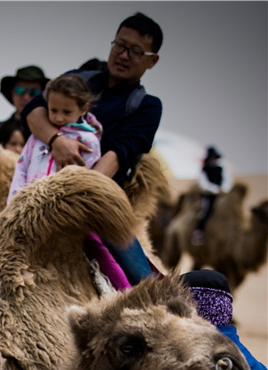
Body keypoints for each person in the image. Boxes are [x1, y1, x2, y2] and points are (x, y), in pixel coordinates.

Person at [22, 11, 163, 285]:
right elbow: (32, 112)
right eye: (120, 45)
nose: (123, 55)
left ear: (152, 60)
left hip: (97, 198)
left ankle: (156, 309)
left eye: (135, 51)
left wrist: (77, 189)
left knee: (140, 280)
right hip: (37, 188)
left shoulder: (146, 106)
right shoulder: (77, 79)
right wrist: (57, 141)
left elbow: (121, 153)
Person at [8, 74, 130, 292]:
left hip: (66, 213)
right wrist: (14, 203)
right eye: (53, 110)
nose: (58, 117)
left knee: (96, 248)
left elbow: (84, 180)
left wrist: (69, 210)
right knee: (4, 255)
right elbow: (22, 167)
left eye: (66, 112)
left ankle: (126, 291)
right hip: (28, 209)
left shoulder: (88, 141)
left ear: (83, 109)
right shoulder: (37, 137)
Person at [191, 146, 233, 245]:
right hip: (209, 196)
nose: (213, 159)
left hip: (223, 196)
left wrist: (223, 189)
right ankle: (199, 233)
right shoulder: (204, 170)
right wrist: (215, 190)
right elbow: (204, 184)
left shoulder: (222, 169)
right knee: (205, 211)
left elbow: (228, 181)